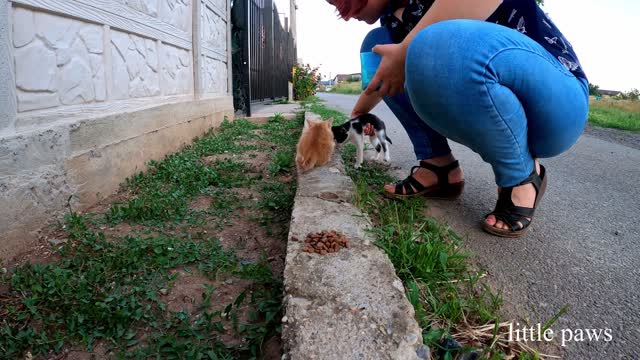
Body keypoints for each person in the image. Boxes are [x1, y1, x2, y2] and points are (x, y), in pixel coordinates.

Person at [326, 0, 589, 238]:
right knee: (378, 45)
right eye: (336, 7)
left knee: (432, 42)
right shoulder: (392, 20)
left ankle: (522, 176)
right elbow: (383, 77)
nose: (345, 14)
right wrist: (357, 117)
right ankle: (438, 166)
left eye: (342, 2)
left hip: (557, 101)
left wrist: (406, 48)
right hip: (502, 88)